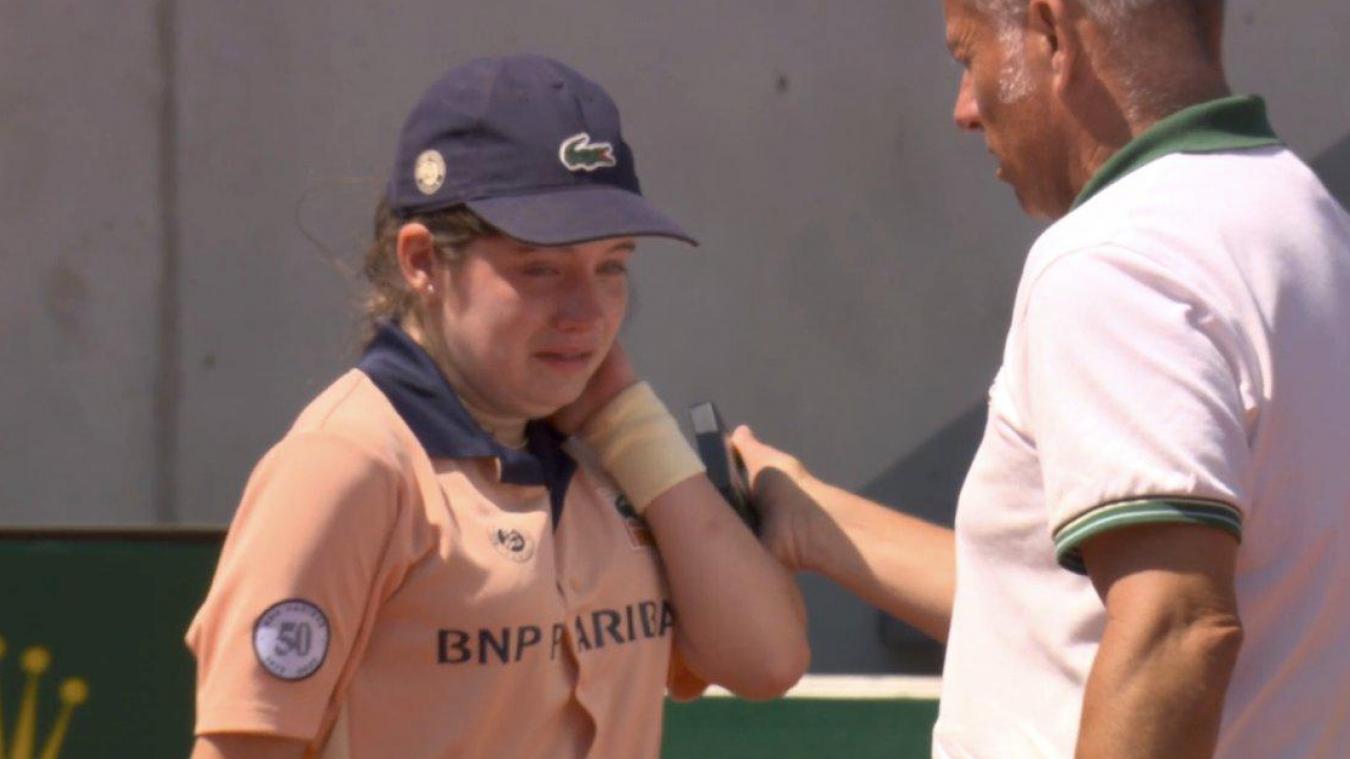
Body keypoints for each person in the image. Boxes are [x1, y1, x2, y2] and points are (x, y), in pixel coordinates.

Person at [732, 1, 1350, 757]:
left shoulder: (1115, 258)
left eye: (968, 57)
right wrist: (810, 514)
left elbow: (1176, 629)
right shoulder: (1306, 220)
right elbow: (1060, 614)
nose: (963, 109)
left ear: (1053, 34)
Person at [186, 54, 808, 759]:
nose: (587, 313)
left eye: (611, 266)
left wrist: (636, 426)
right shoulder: (348, 465)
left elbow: (765, 662)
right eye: (541, 267)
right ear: (422, 261)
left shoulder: (609, 449)